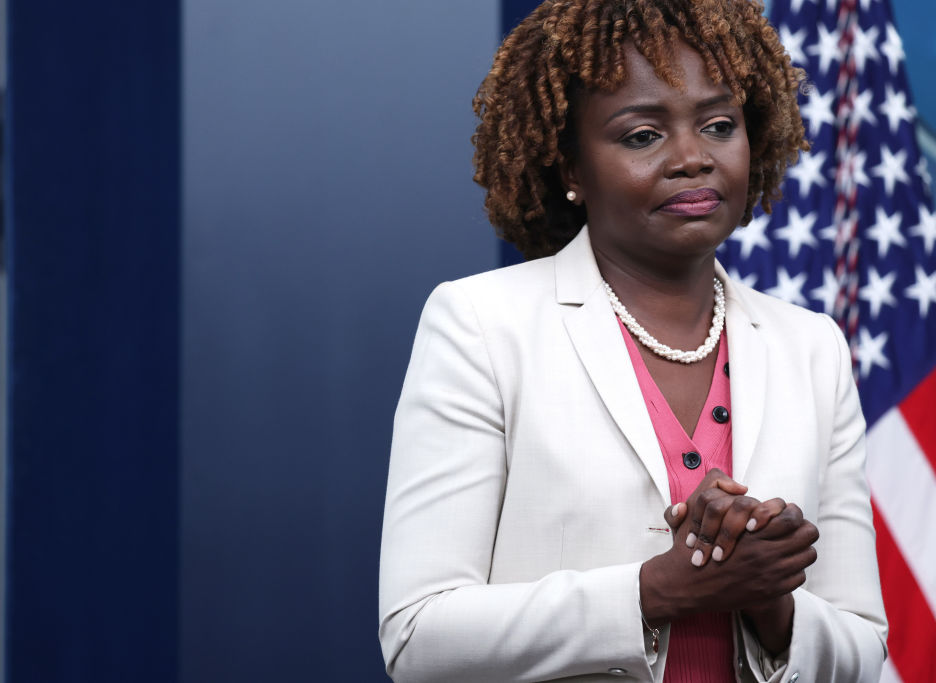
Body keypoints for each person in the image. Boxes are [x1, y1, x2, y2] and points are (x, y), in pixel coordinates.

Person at [378, 0, 888, 680]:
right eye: (643, 135)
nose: (692, 158)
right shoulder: (480, 325)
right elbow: (419, 636)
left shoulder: (812, 348)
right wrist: (660, 588)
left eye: (718, 125)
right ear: (570, 168)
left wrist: (774, 603)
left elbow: (864, 644)